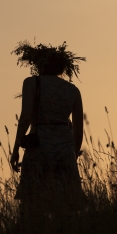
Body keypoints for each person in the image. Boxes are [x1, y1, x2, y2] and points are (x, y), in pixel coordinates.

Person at [10, 40, 86, 218]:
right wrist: (73, 153)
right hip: (64, 148)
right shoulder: (73, 90)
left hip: (40, 147)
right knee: (66, 203)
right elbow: (78, 127)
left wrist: (15, 150)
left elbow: (26, 117)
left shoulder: (31, 83)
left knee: (33, 202)